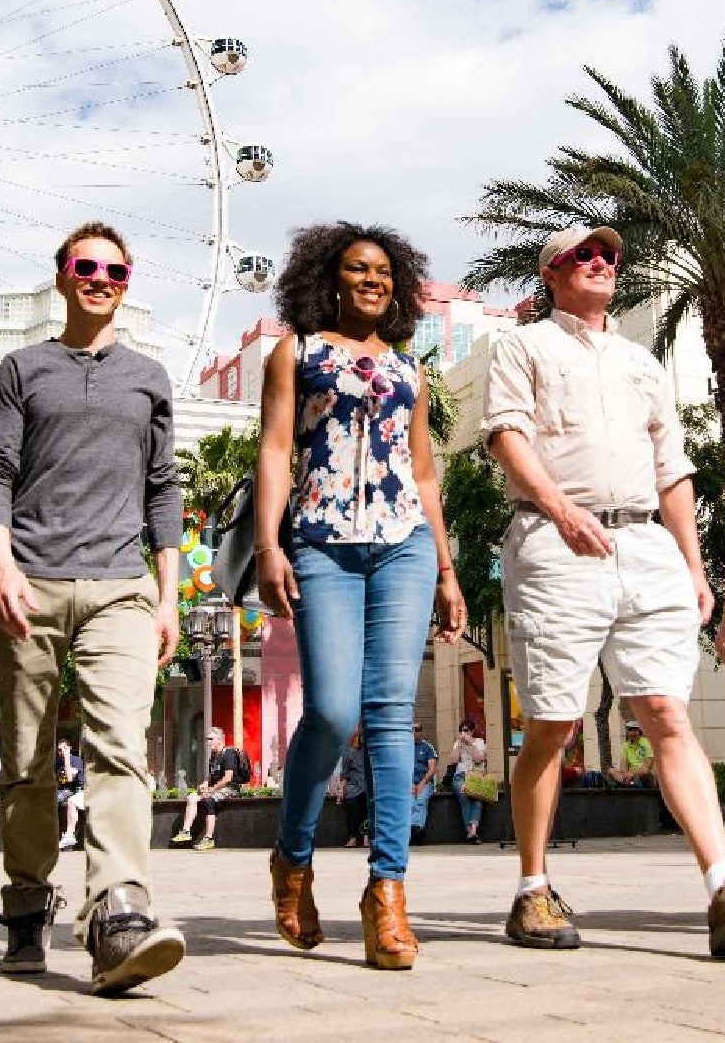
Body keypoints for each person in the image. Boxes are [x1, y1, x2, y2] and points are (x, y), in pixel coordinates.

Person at [483, 224, 725, 958]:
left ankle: (724, 886)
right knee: (555, 723)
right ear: (551, 272)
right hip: (555, 545)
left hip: (646, 545)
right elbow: (505, 439)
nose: (600, 263)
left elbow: (671, 468)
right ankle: (532, 888)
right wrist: (562, 511)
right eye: (584, 254)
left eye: (610, 255)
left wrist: (692, 566)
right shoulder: (523, 347)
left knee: (666, 713)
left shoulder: (642, 363)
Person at [0, 219, 186, 991]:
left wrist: (168, 597)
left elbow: (164, 487)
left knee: (121, 747)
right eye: (86, 267)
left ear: (127, 284)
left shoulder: (149, 377)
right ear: (62, 276)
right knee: (27, 762)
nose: (100, 279)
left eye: (116, 272)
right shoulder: (22, 368)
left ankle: (118, 910)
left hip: (121, 587)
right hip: (29, 581)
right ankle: (28, 904)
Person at [253, 221, 466, 971]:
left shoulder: (412, 371)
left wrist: (445, 568)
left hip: (403, 542)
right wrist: (270, 543)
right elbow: (276, 448)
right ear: (331, 279)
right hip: (320, 542)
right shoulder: (299, 352)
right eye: (357, 269)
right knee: (332, 709)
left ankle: (387, 892)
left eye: (383, 271)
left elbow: (426, 472)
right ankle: (293, 859)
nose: (372, 280)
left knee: (391, 715)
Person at [175, 726, 251, 852]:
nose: (208, 742)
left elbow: (228, 778)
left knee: (209, 801)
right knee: (192, 797)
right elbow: (210, 775)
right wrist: (205, 784)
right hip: (216, 788)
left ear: (219, 740)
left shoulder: (229, 754)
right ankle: (186, 831)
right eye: (207, 739)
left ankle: (209, 838)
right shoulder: (214, 756)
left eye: (210, 739)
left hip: (230, 788)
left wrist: (212, 790)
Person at [449, 719, 488, 843]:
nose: (463, 733)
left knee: (476, 799)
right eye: (461, 730)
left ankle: (473, 831)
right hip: (460, 776)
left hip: (475, 776)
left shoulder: (479, 742)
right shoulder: (457, 743)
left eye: (465, 730)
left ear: (471, 731)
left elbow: (479, 759)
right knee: (464, 796)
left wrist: (471, 744)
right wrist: (460, 745)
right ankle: (470, 831)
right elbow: (454, 761)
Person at [333, 728, 371, 848]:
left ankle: (366, 838)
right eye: (360, 737)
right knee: (352, 814)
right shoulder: (349, 754)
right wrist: (341, 792)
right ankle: (353, 838)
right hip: (353, 788)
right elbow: (344, 775)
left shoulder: (370, 754)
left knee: (367, 814)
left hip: (367, 788)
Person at [409, 726, 438, 842]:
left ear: (421, 732)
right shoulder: (405, 748)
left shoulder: (428, 747)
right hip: (409, 783)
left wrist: (421, 783)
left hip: (425, 782)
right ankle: (413, 830)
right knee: (410, 802)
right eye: (413, 730)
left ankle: (416, 829)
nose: (415, 732)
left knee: (420, 800)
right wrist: (410, 783)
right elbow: (403, 768)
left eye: (418, 730)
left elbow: (432, 769)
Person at [56, 738, 84, 851]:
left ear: (69, 749)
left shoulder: (75, 760)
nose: (62, 752)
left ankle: (69, 835)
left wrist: (67, 759)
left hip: (75, 790)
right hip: (62, 791)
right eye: (59, 750)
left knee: (67, 800)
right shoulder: (57, 763)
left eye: (64, 749)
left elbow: (69, 778)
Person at [608, 721, 655, 786]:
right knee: (611, 770)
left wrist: (632, 773)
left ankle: (626, 782)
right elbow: (624, 765)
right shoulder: (626, 745)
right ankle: (626, 782)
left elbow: (646, 768)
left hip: (642, 774)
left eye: (630, 730)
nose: (628, 732)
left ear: (638, 731)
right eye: (628, 730)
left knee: (643, 774)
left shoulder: (647, 743)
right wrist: (626, 774)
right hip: (629, 774)